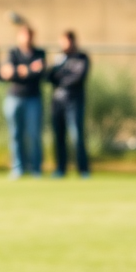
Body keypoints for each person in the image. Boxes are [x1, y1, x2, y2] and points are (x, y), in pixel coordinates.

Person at [0, 24, 45, 178]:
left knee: (34, 135)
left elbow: (39, 73)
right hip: (14, 98)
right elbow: (7, 73)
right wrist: (28, 69)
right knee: (15, 134)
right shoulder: (13, 52)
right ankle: (17, 168)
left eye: (29, 35)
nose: (27, 38)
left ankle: (35, 168)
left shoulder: (39, 53)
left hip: (33, 99)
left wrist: (20, 70)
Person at [49, 30, 91, 179]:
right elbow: (50, 77)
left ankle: (83, 170)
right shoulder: (59, 58)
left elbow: (78, 77)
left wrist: (62, 78)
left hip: (74, 101)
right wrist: (57, 70)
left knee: (76, 136)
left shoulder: (81, 57)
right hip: (57, 102)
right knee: (59, 137)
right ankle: (60, 169)